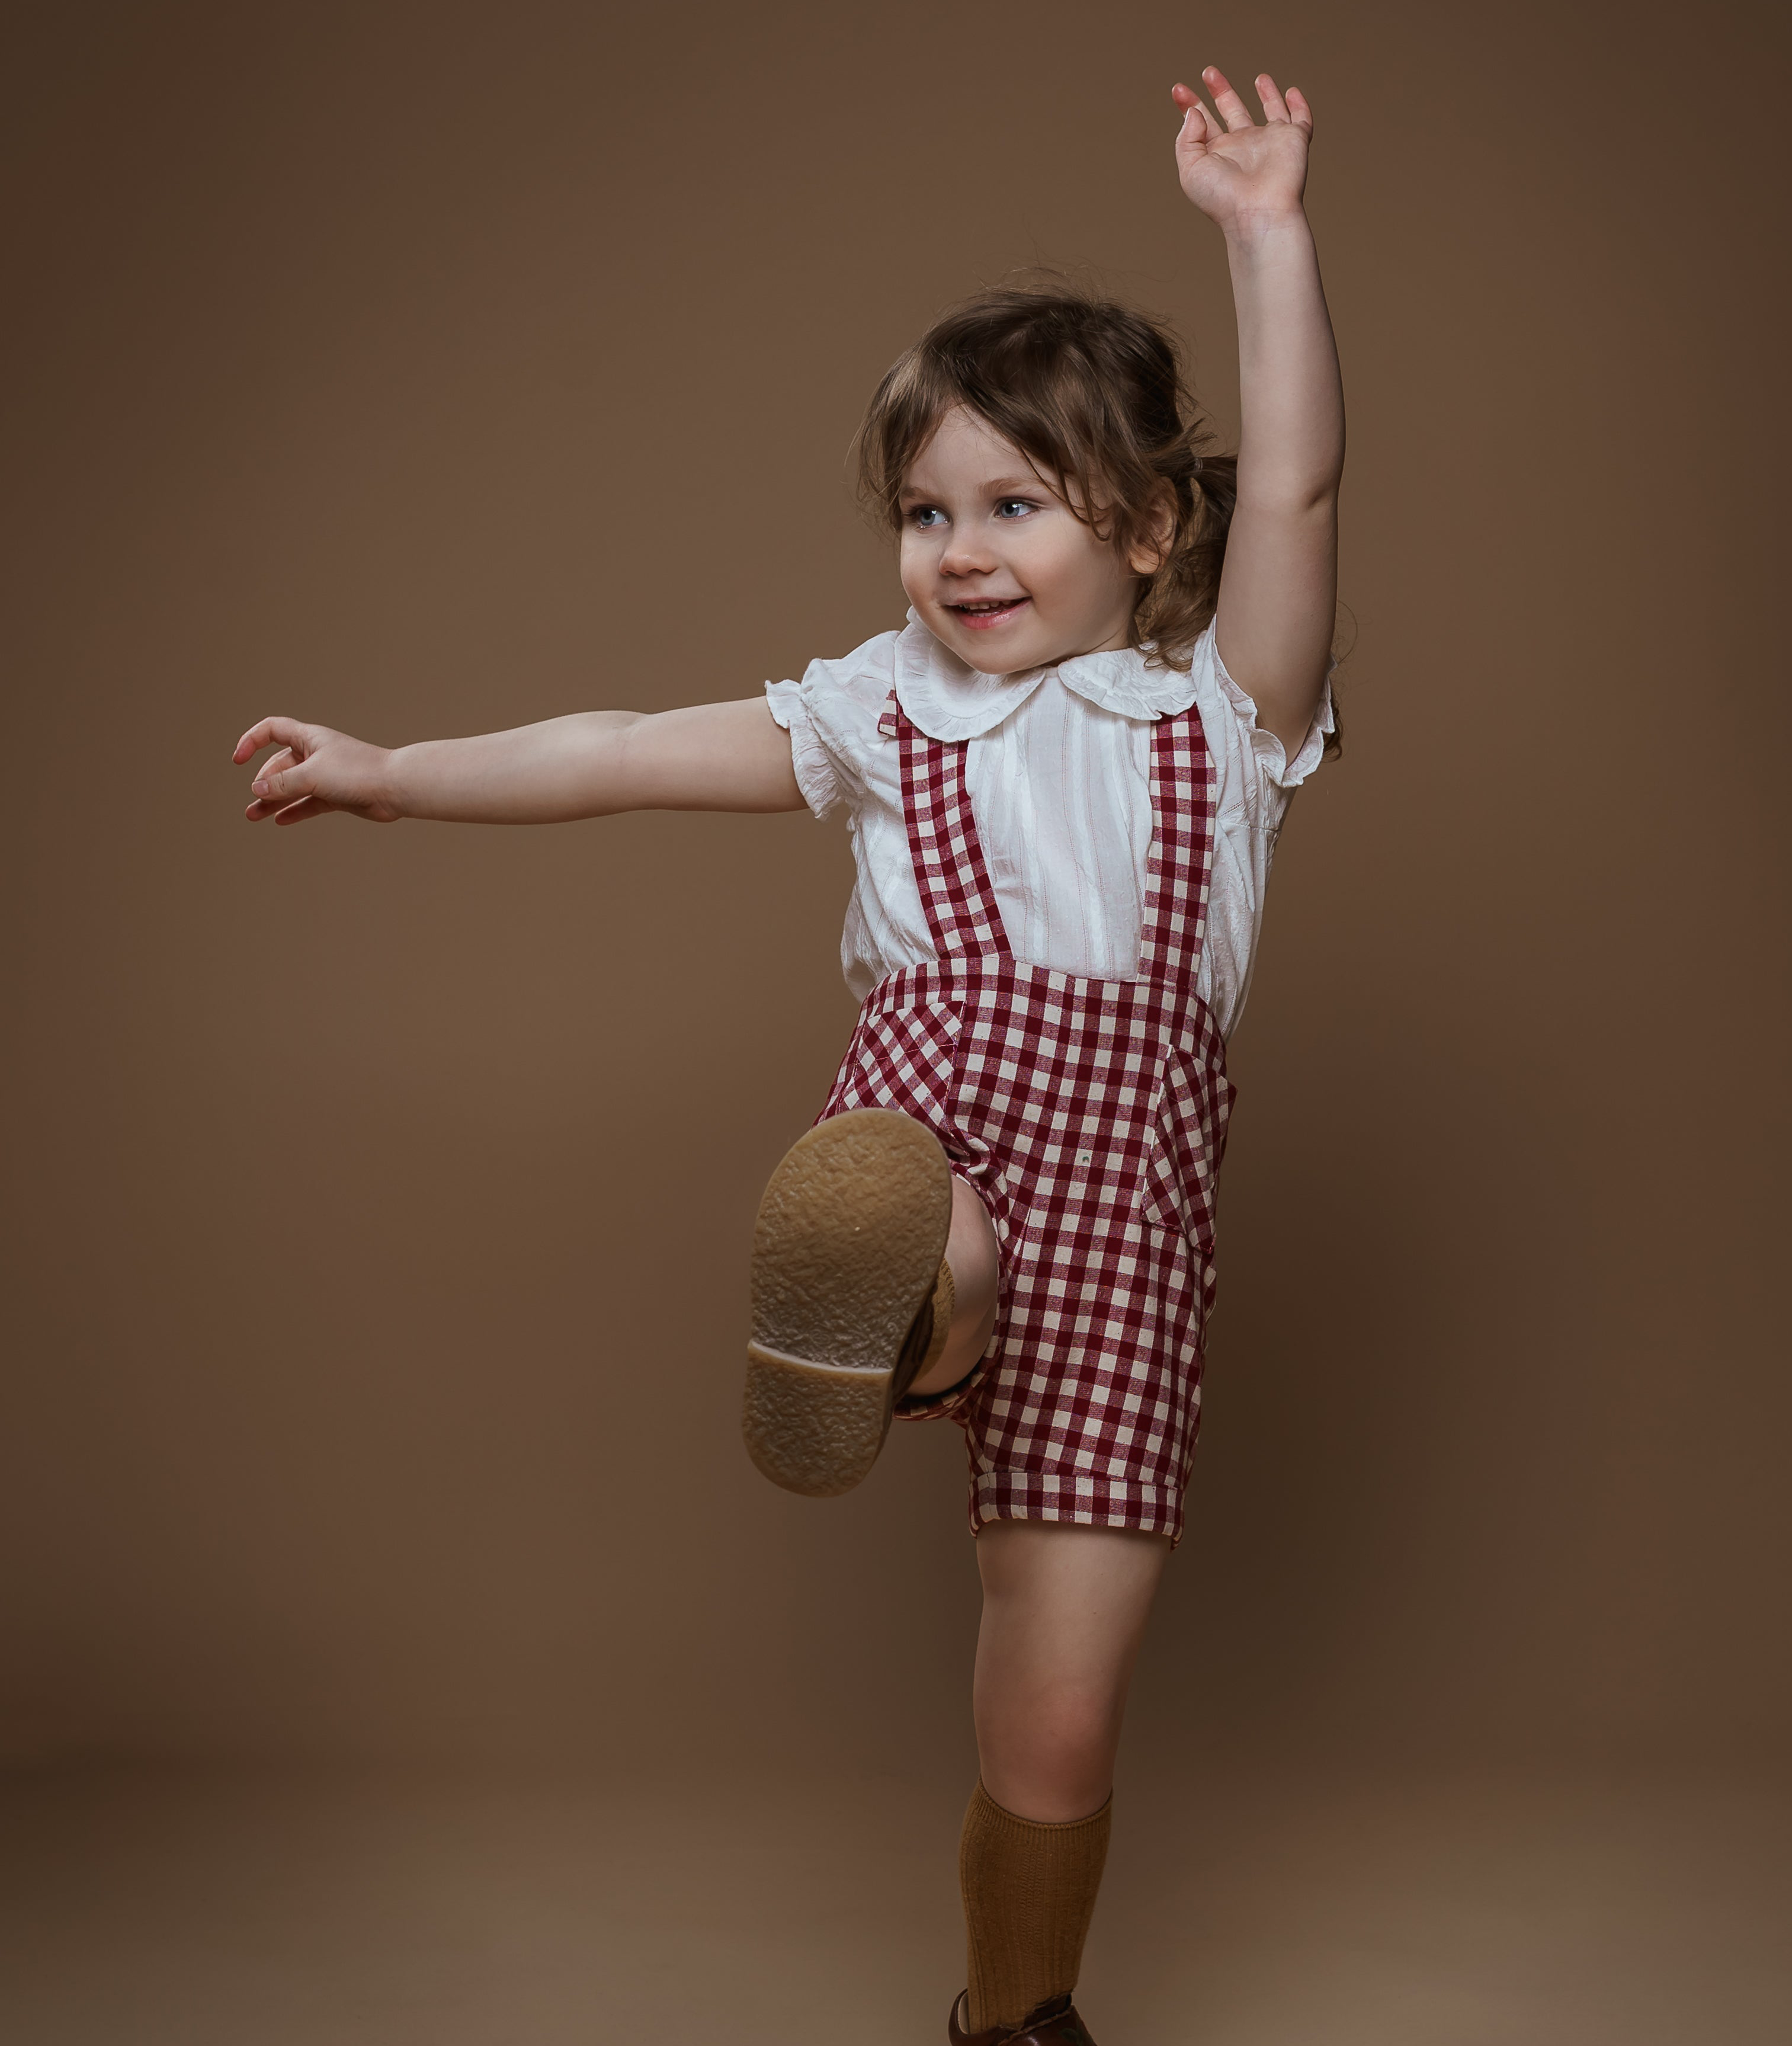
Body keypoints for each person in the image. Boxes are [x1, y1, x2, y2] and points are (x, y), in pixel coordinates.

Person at [231, 64, 1342, 2046]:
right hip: (934, 1123)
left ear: (1154, 522)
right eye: (924, 512)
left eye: (1011, 504)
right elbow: (622, 745)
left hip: (1128, 1231)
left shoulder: (1222, 714)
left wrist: (1263, 231)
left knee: (1056, 1707)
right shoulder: (881, 711)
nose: (955, 549)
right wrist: (397, 770)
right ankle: (906, 1295)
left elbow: (1305, 492)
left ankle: (1014, 2010)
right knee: (924, 1217)